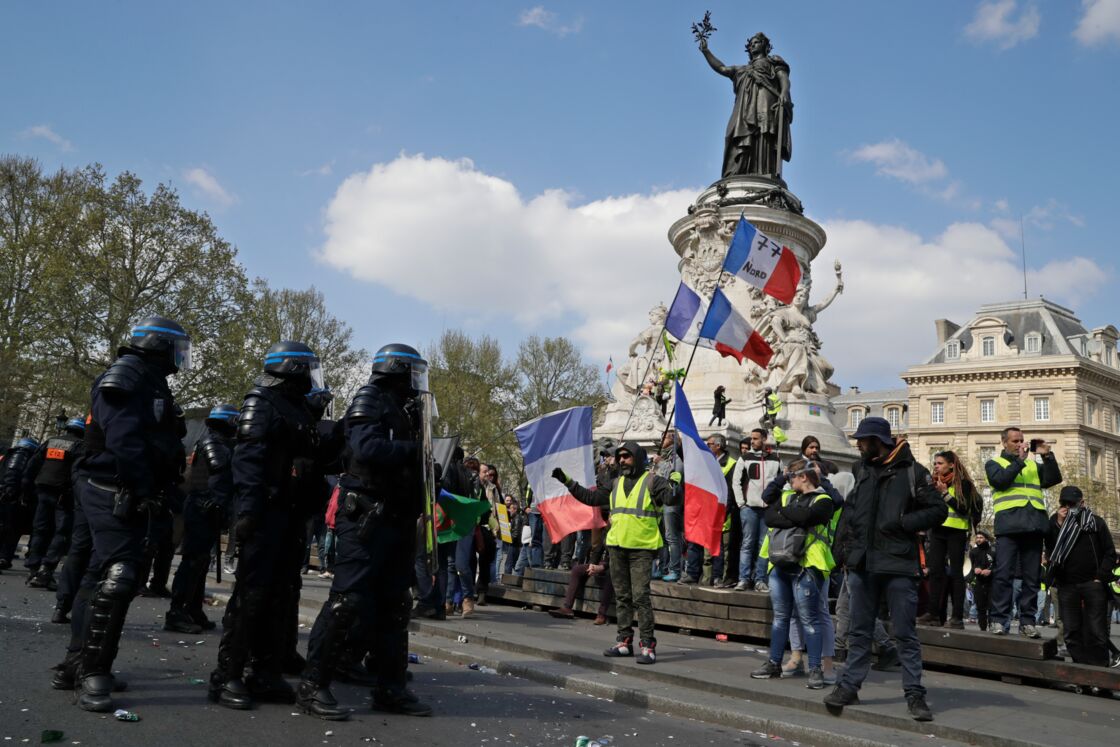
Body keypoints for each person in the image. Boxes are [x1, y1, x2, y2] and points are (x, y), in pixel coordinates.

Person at [54, 316, 191, 713]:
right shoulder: (127, 375)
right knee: (119, 575)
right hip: (111, 484)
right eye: (176, 349)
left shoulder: (149, 378)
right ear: (157, 345)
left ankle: (76, 663)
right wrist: (146, 488)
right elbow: (125, 439)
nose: (180, 358)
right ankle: (94, 671)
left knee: (99, 573)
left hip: (124, 485)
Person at [296, 343, 433, 720]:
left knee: (394, 605)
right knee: (347, 601)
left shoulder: (407, 410)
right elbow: (367, 447)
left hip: (397, 517)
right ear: (396, 371)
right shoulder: (369, 400)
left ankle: (390, 688)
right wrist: (414, 451)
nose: (416, 382)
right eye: (412, 373)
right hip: (365, 515)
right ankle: (313, 685)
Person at [210, 341, 321, 710]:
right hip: (266, 511)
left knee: (280, 595)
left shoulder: (297, 406)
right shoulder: (261, 401)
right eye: (308, 369)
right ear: (292, 368)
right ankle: (227, 675)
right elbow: (249, 459)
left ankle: (265, 670)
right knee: (252, 595)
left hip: (290, 513)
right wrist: (248, 512)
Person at [824, 417, 946, 722]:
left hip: (899, 565)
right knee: (859, 630)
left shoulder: (913, 472)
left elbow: (938, 510)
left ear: (880, 441)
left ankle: (915, 694)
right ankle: (849, 686)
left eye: (864, 441)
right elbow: (850, 513)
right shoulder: (861, 469)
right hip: (863, 564)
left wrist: (905, 523)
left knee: (905, 632)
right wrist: (841, 552)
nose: (859, 445)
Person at [553, 441, 681, 665]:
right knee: (622, 597)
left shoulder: (654, 481)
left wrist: (676, 483)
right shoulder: (615, 483)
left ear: (639, 458)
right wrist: (567, 481)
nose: (621, 460)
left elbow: (672, 499)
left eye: (626, 456)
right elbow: (591, 498)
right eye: (620, 457)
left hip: (642, 549)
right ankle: (624, 642)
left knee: (640, 597)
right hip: (617, 547)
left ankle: (648, 645)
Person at [751, 460, 836, 689]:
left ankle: (816, 668)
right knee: (781, 618)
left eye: (792, 478)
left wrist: (786, 513)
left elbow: (807, 518)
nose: (789, 481)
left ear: (804, 477)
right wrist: (794, 514)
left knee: (810, 619)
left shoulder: (824, 500)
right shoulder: (789, 496)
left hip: (807, 565)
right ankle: (773, 663)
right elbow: (770, 517)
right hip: (780, 564)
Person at [165, 404, 238, 634]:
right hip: (201, 507)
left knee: (200, 563)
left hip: (208, 508)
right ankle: (176, 612)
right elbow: (221, 468)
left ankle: (193, 608)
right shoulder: (213, 443)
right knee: (192, 563)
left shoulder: (219, 442)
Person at [985, 427, 1062, 638]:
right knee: (1003, 575)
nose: (1020, 444)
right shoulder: (994, 463)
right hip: (1009, 526)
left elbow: (1053, 479)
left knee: (1032, 578)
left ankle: (1028, 621)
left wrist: (1047, 455)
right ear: (1004, 443)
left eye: (1022, 440)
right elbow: (1000, 481)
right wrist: (1019, 461)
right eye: (1015, 441)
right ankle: (999, 620)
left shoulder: (1032, 464)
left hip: (1034, 526)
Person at [698, 31, 792, 178]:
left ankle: (765, 172)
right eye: (751, 43)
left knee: (764, 132)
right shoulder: (741, 70)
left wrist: (784, 93)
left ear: (765, 46)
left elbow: (784, 79)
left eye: (757, 42)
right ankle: (740, 170)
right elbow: (722, 68)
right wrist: (706, 51)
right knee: (734, 133)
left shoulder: (773, 62)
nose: (753, 45)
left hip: (765, 100)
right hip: (743, 108)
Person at [1045, 486, 1116, 667]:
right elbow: (1051, 551)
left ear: (1082, 503)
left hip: (1092, 583)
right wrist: (1059, 525)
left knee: (1096, 630)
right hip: (1067, 584)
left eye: (1072, 504)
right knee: (1071, 631)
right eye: (1064, 504)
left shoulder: (1095, 523)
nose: (1069, 507)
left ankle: (1100, 670)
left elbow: (1109, 552)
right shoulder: (1054, 522)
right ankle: (1081, 669)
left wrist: (1100, 576)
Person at [918, 451, 982, 628]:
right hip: (937, 530)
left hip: (956, 531)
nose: (936, 466)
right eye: (935, 463)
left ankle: (957, 617)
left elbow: (963, 508)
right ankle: (933, 614)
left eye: (940, 463)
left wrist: (945, 494)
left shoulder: (964, 484)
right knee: (935, 572)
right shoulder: (934, 482)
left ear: (951, 465)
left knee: (956, 574)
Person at [26, 419, 85, 589]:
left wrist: (27, 489)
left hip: (43, 490)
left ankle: (33, 567)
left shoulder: (50, 441)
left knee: (40, 530)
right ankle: (46, 570)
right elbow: (77, 472)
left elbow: (32, 465)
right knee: (62, 532)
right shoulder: (80, 446)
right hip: (63, 494)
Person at [682, 434, 736, 585]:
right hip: (702, 510)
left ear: (718, 446)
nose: (707, 446)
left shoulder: (731, 464)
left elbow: (730, 492)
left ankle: (716, 577)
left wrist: (723, 514)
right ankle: (694, 574)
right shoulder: (704, 461)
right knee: (695, 542)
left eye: (709, 443)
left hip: (719, 512)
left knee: (716, 548)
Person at [733, 429, 779, 591]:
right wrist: (741, 504)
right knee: (747, 544)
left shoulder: (775, 458)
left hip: (768, 510)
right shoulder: (745, 457)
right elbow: (736, 482)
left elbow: (780, 482)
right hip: (749, 508)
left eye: (755, 438)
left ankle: (760, 580)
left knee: (763, 546)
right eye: (751, 438)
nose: (752, 441)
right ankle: (743, 579)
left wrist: (775, 505)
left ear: (765, 439)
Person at [548, 516, 614, 626]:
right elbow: (598, 548)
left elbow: (619, 557)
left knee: (611, 576)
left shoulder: (625, 530)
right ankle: (567, 607)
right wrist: (593, 564)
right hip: (604, 563)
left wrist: (603, 567)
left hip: (616, 565)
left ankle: (601, 614)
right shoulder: (608, 529)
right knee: (577, 570)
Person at [0, 436, 41, 571]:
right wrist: (12, 491)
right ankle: (4, 556)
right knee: (11, 528)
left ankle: (5, 556)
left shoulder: (10, 454)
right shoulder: (21, 455)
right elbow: (14, 473)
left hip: (8, 495)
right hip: (13, 498)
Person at [652, 431, 683, 582]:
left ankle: (675, 569)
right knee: (663, 538)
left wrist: (661, 464)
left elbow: (675, 475)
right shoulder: (665, 457)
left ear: (673, 440)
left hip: (672, 500)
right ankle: (663, 567)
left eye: (664, 437)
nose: (661, 439)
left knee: (672, 537)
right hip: (661, 500)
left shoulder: (677, 457)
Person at [969, 532, 996, 631]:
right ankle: (983, 629)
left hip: (992, 583)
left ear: (986, 539)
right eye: (977, 537)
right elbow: (969, 567)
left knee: (991, 607)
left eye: (981, 537)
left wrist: (991, 571)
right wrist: (975, 570)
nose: (979, 539)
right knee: (980, 607)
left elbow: (999, 566)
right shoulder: (973, 552)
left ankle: (992, 627)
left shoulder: (993, 551)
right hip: (978, 582)